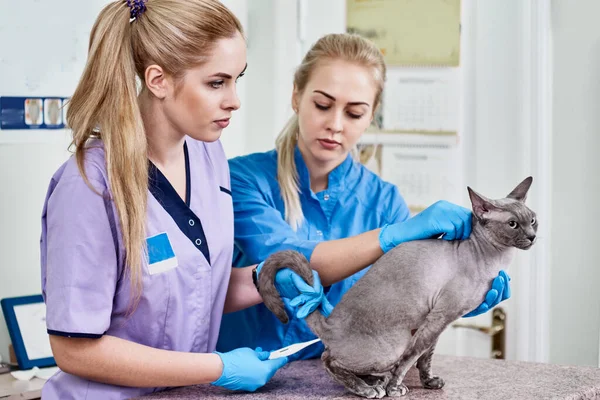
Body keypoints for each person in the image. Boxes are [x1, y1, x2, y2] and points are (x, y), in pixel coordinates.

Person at [40, 1, 290, 398]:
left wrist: (267, 281)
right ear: (157, 80)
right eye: (216, 82)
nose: (234, 100)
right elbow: (75, 348)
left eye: (237, 79)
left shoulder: (209, 156)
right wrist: (218, 366)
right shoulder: (89, 185)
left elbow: (194, 287)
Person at [217, 33, 511, 360]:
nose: (335, 124)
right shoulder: (240, 178)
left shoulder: (384, 202)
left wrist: (455, 297)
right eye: (322, 105)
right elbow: (282, 258)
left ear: (371, 116)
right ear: (296, 96)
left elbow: (402, 304)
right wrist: (387, 238)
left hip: (336, 380)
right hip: (239, 378)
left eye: (354, 113)